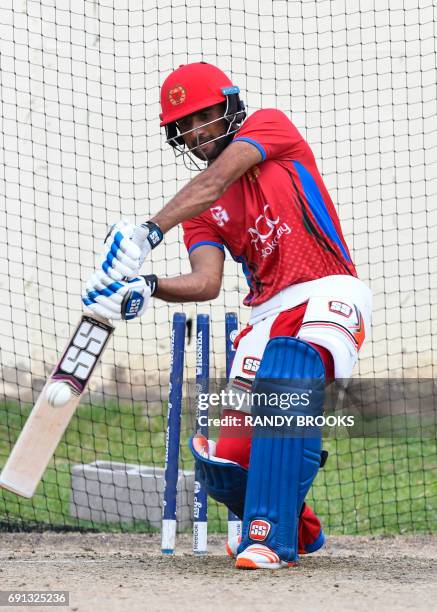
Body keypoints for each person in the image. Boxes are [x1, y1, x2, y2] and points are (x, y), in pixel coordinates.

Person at [82, 62, 372, 570]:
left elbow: (216, 180)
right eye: (183, 126)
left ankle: (268, 539)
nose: (194, 134)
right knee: (226, 463)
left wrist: (149, 232)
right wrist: (147, 287)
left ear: (229, 106)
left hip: (327, 290)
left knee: (287, 375)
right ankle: (298, 525)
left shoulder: (270, 126)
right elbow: (206, 282)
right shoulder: (199, 211)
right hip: (265, 313)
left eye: (202, 117)